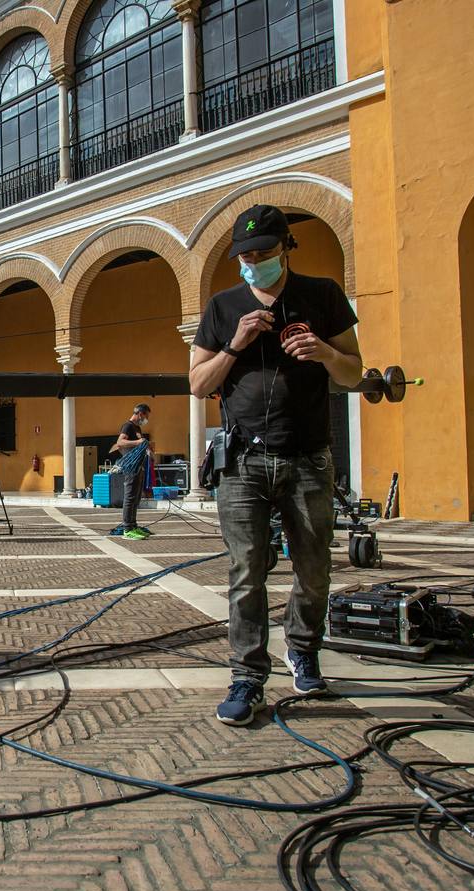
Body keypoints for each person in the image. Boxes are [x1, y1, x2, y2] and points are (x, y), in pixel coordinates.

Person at [189, 204, 364, 727]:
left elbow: (355, 373)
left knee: (314, 567)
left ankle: (304, 649)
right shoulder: (223, 307)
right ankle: (247, 676)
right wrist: (236, 346)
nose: (252, 262)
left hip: (309, 455)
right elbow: (198, 384)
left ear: (286, 247)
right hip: (242, 461)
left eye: (263, 253)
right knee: (247, 572)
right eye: (244, 256)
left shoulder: (324, 294)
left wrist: (325, 354)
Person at [109, 403, 153, 540]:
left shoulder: (137, 428)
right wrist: (138, 442)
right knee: (129, 498)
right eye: (146, 416)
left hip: (139, 467)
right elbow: (120, 442)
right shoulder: (127, 426)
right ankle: (127, 529)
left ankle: (133, 525)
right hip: (130, 468)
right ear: (140, 413)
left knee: (136, 498)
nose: (146, 419)